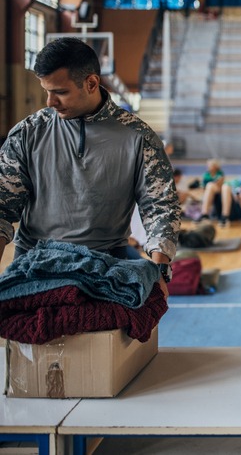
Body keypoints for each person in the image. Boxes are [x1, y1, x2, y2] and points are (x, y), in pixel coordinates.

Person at [0, 37, 180, 292]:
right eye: (47, 91)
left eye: (60, 92)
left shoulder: (139, 138)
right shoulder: (27, 133)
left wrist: (160, 270)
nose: (50, 101)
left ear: (91, 83)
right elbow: (2, 208)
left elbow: (161, 208)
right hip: (34, 263)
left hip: (106, 266)